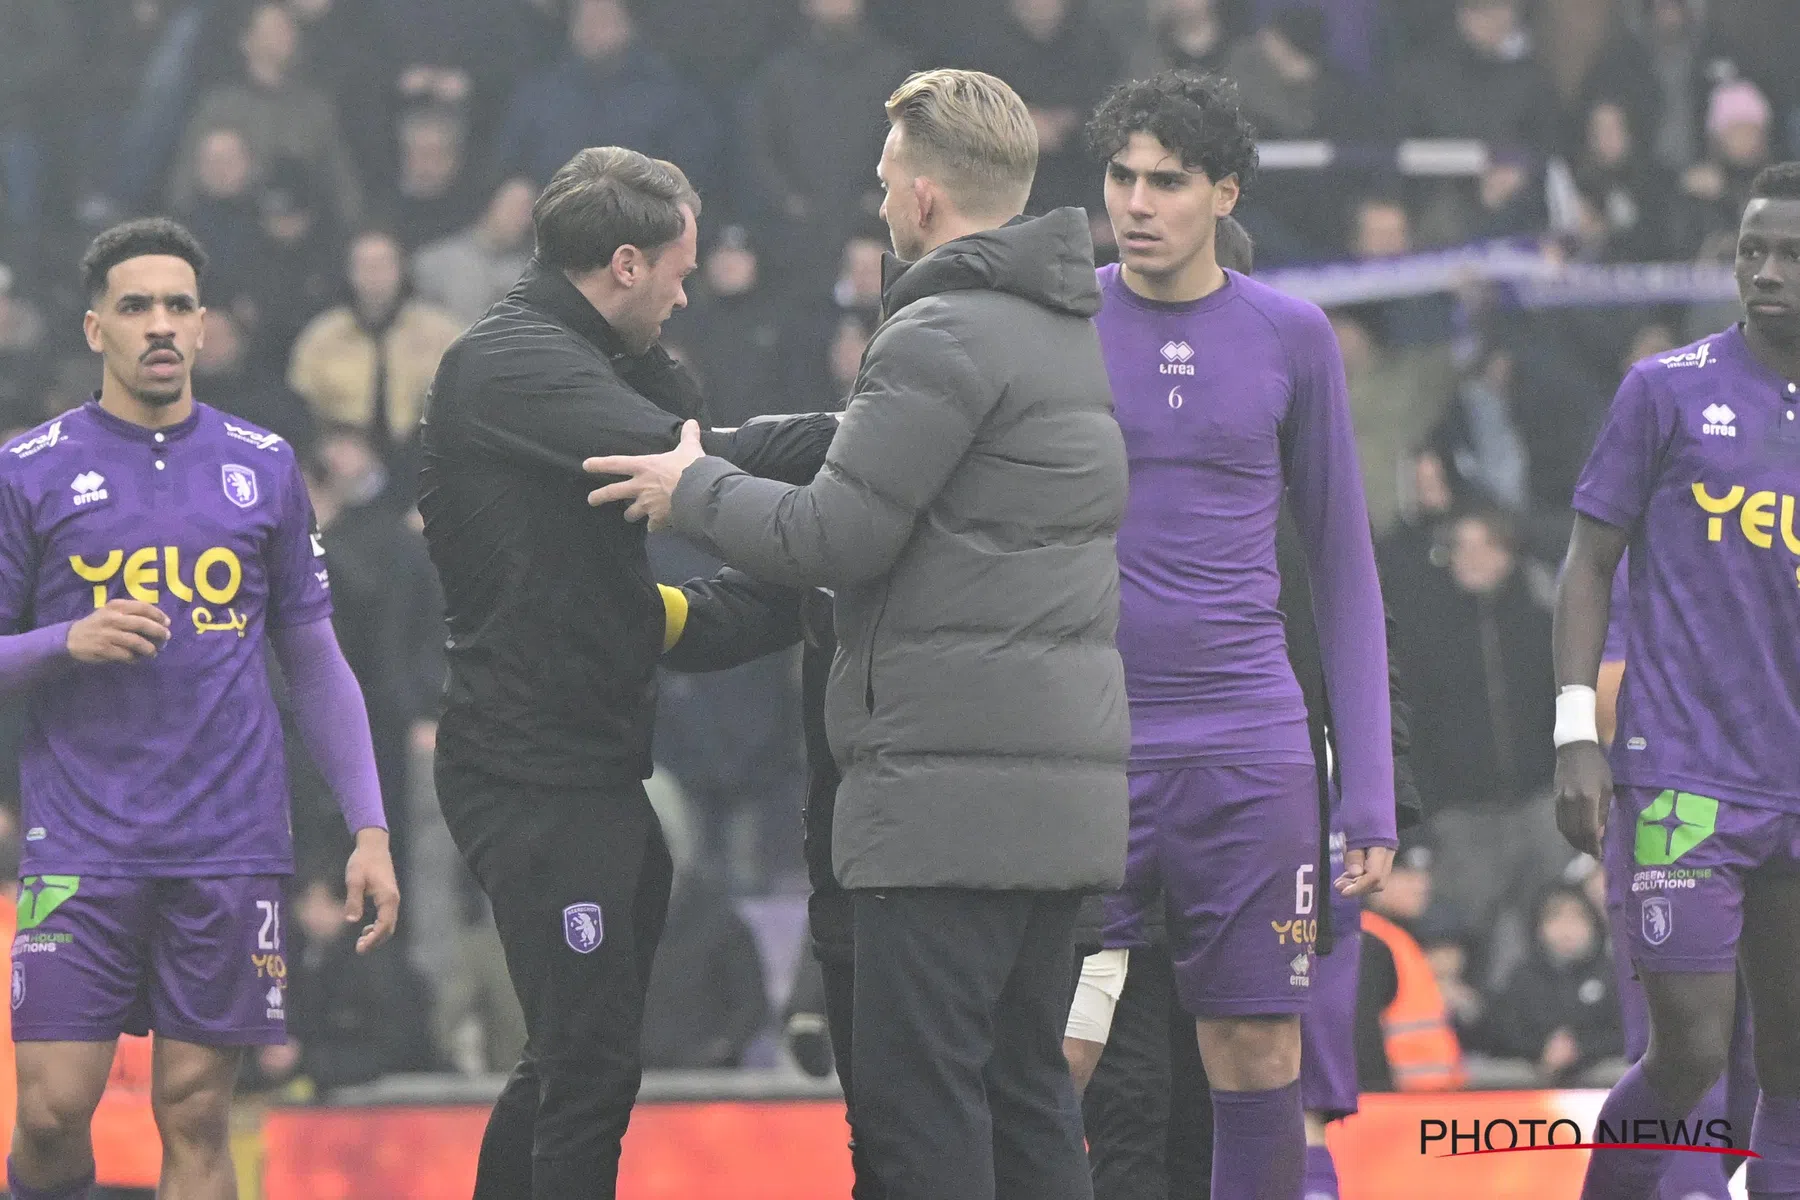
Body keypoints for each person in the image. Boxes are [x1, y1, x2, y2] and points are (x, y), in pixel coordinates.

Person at [585, 68, 1131, 1200]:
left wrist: (691, 490)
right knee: (1029, 1104)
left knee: (919, 1118)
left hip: (940, 807)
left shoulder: (936, 330)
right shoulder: (1050, 324)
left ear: (925, 198)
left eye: (885, 177)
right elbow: (862, 439)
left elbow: (833, 532)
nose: (877, 197)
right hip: (1052, 801)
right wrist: (716, 443)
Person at [418, 147, 837, 1200]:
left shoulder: (604, 364)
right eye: (678, 272)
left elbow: (662, 609)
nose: (687, 294)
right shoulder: (509, 366)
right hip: (531, 773)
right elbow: (693, 458)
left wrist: (835, 584)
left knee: (570, 1059)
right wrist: (868, 439)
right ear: (622, 264)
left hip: (596, 761)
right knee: (589, 1069)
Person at [0, 218, 398, 1200]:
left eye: (179, 305)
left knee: (196, 1111)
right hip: (78, 842)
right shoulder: (28, 468)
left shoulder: (262, 463)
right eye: (137, 306)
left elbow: (313, 658)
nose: (161, 324)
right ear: (97, 327)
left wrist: (370, 827)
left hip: (229, 844)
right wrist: (66, 639)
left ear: (206, 324)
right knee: (51, 1114)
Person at [1081, 70, 1395, 1200]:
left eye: (1167, 180)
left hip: (1247, 750)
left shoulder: (1292, 335)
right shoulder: (1061, 317)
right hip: (1083, 749)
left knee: (1258, 1055)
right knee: (1052, 1055)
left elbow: (1343, 564)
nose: (1138, 201)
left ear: (1225, 194)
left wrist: (1370, 790)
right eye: (1122, 176)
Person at [1554, 161, 1800, 1200]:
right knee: (1691, 1053)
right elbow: (1586, 565)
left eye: (1791, 255)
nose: (1768, 273)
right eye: (1753, 251)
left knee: (1792, 1076)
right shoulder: (1667, 388)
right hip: (1684, 777)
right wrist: (1576, 732)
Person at [1592, 558, 1759, 1199]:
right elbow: (1611, 701)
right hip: (1677, 817)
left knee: (1767, 1054)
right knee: (1686, 1044)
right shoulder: (1646, 546)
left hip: (1776, 819)